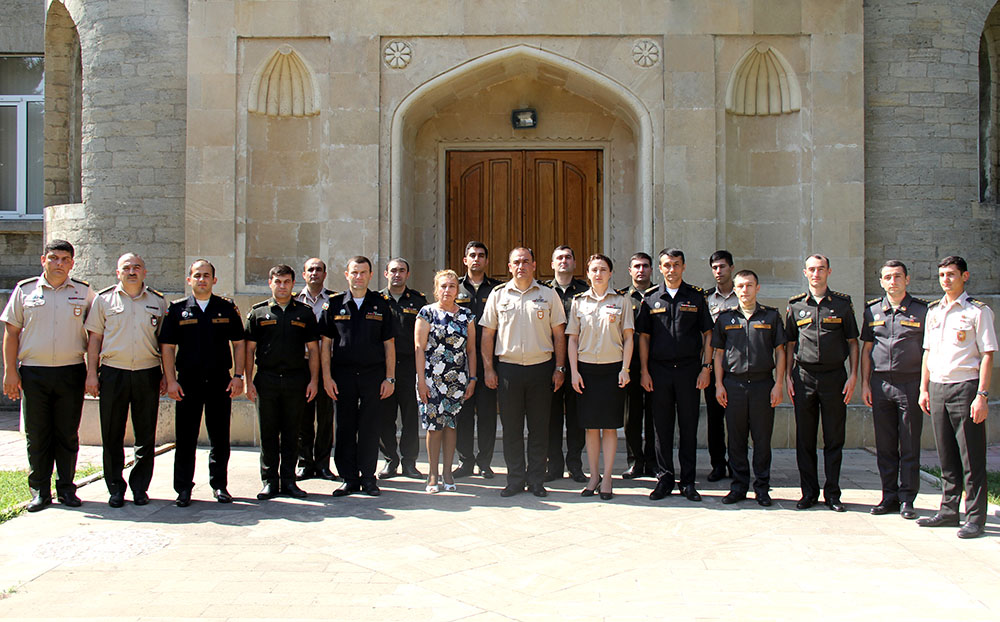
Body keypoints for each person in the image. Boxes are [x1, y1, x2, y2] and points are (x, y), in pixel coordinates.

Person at [1, 240, 94, 512]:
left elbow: (95, 336)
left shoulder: (84, 292)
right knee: (37, 434)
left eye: (65, 259)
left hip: (70, 371)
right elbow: (11, 333)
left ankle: (66, 488)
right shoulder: (25, 290)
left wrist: (91, 372)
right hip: (33, 372)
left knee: (67, 434)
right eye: (53, 258)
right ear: (43, 260)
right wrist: (10, 372)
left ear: (72, 263)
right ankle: (40, 491)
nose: (59, 264)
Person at [916, 256, 997, 539]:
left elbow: (987, 354)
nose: (946, 279)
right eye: (941, 274)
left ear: (965, 276)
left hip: (966, 387)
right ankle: (949, 510)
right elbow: (927, 352)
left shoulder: (978, 311)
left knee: (971, 457)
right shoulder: (933, 311)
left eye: (951, 274)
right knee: (946, 455)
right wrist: (924, 388)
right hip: (938, 386)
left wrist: (982, 395)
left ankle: (975, 518)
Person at [480, 247, 567, 498]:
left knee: (540, 428)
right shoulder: (498, 295)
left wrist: (560, 368)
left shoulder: (548, 295)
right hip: (508, 370)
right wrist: (488, 369)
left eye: (526, 262)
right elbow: (488, 335)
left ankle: (537, 479)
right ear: (509, 267)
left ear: (534, 264)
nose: (521, 266)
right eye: (516, 262)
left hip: (542, 369)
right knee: (512, 429)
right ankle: (515, 479)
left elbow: (559, 334)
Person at [159, 259, 246, 506]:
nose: (202, 279)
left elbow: (239, 344)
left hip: (220, 380)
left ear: (214, 280)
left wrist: (238, 376)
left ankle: (220, 486)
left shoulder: (226, 308)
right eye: (197, 275)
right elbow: (167, 346)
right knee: (185, 438)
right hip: (188, 381)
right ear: (189, 280)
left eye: (206, 275)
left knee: (220, 437)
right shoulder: (177, 309)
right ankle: (184, 488)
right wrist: (171, 380)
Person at [84, 253, 168, 508]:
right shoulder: (103, 300)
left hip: (147, 372)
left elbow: (165, 343)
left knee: (145, 434)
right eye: (126, 268)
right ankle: (115, 488)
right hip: (113, 372)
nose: (132, 272)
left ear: (144, 272)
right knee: (112, 434)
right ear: (117, 273)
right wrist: (91, 373)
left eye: (137, 267)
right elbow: (94, 340)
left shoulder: (158, 301)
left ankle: (140, 488)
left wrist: (167, 375)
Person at [784, 254, 859, 512]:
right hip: (804, 378)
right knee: (805, 439)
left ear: (829, 271)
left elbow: (852, 342)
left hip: (835, 377)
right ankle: (809, 492)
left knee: (834, 438)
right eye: (812, 270)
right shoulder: (795, 306)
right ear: (805, 273)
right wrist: (787, 378)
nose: (816, 274)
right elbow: (789, 344)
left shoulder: (842, 304)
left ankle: (833, 493)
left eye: (821, 269)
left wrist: (853, 376)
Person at [637, 248, 713, 502]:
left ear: (683, 267)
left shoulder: (696, 297)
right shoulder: (650, 299)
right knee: (661, 428)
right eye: (667, 265)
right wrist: (645, 371)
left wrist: (706, 367)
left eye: (676, 265)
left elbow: (708, 335)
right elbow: (644, 338)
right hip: (659, 371)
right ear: (660, 268)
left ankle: (688, 481)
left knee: (689, 426)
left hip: (689, 371)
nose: (672, 269)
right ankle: (665, 478)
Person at [320, 256, 397, 497]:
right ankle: (349, 478)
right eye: (354, 272)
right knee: (345, 426)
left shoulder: (381, 304)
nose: (359, 277)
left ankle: (368, 477)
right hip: (342, 375)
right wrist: (326, 378)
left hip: (373, 375)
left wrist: (390, 378)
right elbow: (324, 345)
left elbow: (389, 345)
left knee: (370, 427)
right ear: (347, 274)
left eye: (363, 272)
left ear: (370, 275)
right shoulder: (333, 304)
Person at [244, 264, 320, 500]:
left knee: (291, 432)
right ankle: (269, 481)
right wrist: (248, 381)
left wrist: (314, 381)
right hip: (266, 380)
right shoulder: (258, 313)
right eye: (278, 281)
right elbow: (249, 351)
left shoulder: (304, 313)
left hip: (296, 380)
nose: (282, 286)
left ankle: (289, 481)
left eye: (287, 282)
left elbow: (314, 351)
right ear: (271, 283)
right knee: (268, 433)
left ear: (292, 284)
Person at [859, 260, 928, 520]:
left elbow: (927, 353)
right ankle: (888, 495)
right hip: (880, 384)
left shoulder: (922, 311)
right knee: (885, 444)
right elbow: (867, 349)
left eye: (898, 276)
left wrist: (924, 387)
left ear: (907, 280)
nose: (893, 281)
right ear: (881, 282)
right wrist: (865, 384)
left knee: (909, 443)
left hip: (909, 383)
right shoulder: (872, 311)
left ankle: (907, 498)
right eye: (887, 277)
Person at [712, 270, 786, 507]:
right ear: (735, 289)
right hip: (734, 385)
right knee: (736, 439)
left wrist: (779, 384)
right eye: (741, 286)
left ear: (757, 288)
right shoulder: (725, 318)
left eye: (749, 285)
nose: (745, 290)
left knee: (762, 439)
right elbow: (718, 354)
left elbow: (781, 352)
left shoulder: (771, 317)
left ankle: (762, 488)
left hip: (763, 384)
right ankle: (739, 486)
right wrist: (718, 384)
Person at [567, 254, 633, 500]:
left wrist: (625, 369)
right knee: (591, 427)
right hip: (586, 371)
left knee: (609, 427)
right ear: (588, 273)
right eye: (594, 269)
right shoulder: (578, 302)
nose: (598, 274)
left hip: (612, 370)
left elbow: (628, 337)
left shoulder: (621, 300)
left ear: (610, 273)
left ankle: (607, 478)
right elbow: (572, 339)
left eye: (603, 269)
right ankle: (593, 476)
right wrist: (574, 372)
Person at [415, 270, 477, 493]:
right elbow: (419, 348)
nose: (447, 290)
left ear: (457, 290)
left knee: (450, 424)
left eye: (452, 286)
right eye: (443, 286)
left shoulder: (466, 316)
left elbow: (471, 350)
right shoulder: (427, 313)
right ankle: (432, 474)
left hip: (456, 379)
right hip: (431, 378)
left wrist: (472, 378)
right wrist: (422, 381)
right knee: (434, 426)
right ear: (436, 288)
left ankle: (448, 472)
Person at [453, 241, 503, 479]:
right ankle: (465, 461)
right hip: (458, 363)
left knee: (486, 416)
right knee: (462, 415)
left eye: (481, 255)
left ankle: (485, 462)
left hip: (488, 363)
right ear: (465, 260)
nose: (476, 259)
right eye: (472, 255)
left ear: (486, 260)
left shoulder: (496, 289)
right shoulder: (455, 287)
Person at [377, 258, 427, 480]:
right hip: (382, 367)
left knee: (409, 417)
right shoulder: (376, 300)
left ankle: (409, 462)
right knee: (385, 416)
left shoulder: (418, 301)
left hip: (408, 366)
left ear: (408, 274)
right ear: (386, 273)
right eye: (393, 271)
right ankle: (390, 460)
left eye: (402, 271)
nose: (397, 274)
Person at [544, 245, 590, 484]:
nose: (564, 261)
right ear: (552, 264)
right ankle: (554, 464)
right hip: (547, 362)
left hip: (578, 363)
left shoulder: (585, 291)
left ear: (574, 263)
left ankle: (575, 464)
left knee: (576, 417)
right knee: (551, 416)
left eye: (568, 257)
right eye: (559, 258)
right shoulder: (541, 291)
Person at [294, 258, 338, 482]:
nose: (314, 273)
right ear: (304, 274)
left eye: (318, 270)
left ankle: (322, 464)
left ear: (325, 273)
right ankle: (305, 463)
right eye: (310, 270)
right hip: (301, 364)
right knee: (303, 416)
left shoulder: (335, 300)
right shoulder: (293, 302)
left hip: (328, 364)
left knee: (325, 416)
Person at [617, 252, 656, 479]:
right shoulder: (622, 298)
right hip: (629, 365)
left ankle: (653, 461)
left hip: (656, 364)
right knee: (631, 416)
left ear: (652, 270)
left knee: (654, 415)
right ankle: (635, 461)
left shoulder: (659, 295)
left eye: (645, 266)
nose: (641, 270)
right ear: (629, 271)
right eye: (636, 267)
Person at [704, 250, 739, 482]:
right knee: (714, 419)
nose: (719, 271)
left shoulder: (743, 295)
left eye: (723, 267)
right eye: (715, 267)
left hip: (738, 364)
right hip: (713, 363)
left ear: (731, 268)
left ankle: (737, 465)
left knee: (737, 419)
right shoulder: (706, 298)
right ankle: (718, 464)